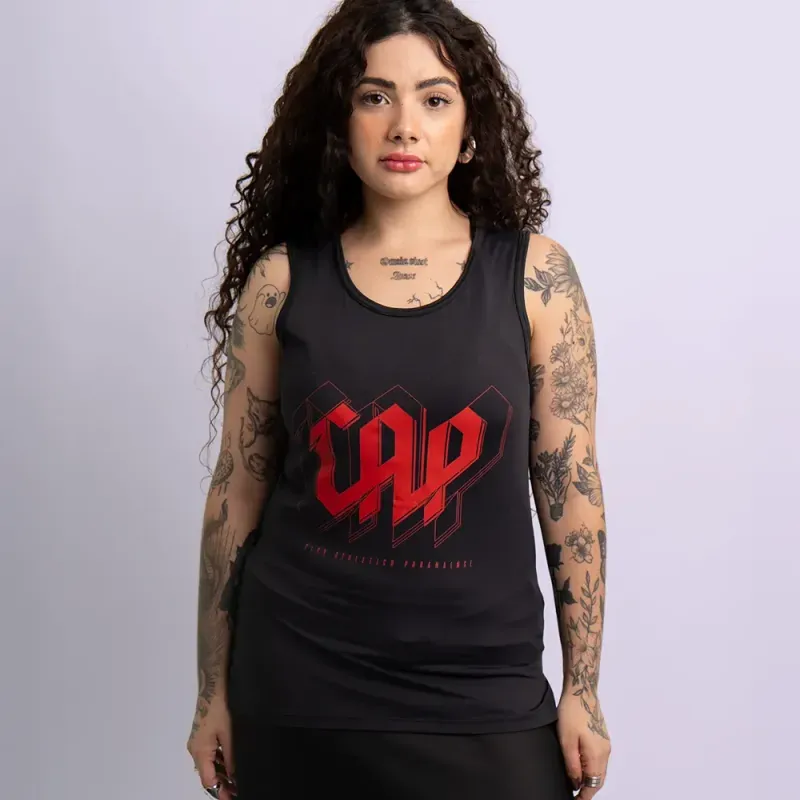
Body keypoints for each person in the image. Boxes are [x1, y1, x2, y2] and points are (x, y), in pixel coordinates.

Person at [186, 0, 612, 797]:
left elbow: (572, 495)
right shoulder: (281, 281)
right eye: (374, 96)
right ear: (339, 124)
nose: (404, 127)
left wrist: (582, 688)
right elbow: (236, 494)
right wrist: (212, 692)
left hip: (485, 692)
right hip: (298, 691)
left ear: (471, 130)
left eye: (434, 99)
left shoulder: (537, 277)